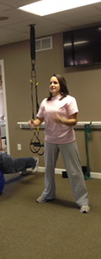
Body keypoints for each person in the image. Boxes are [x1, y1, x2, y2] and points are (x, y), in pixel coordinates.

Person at [28, 74, 90, 213]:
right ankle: (48, 194)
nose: (52, 85)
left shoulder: (69, 100)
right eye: (50, 82)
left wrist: (62, 120)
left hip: (67, 140)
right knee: (48, 170)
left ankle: (83, 201)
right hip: (50, 140)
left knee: (74, 172)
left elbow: (74, 121)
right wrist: (33, 123)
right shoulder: (45, 102)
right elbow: (40, 119)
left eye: (55, 82)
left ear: (61, 84)